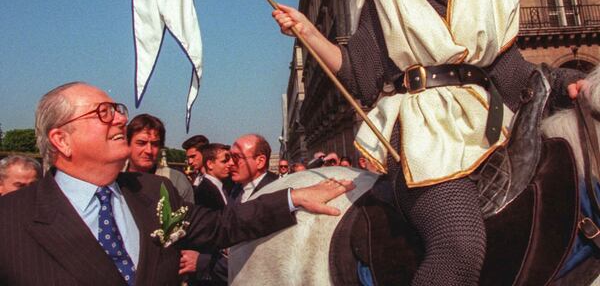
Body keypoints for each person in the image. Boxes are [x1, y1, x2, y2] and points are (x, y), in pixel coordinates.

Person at [273, 0, 584, 285]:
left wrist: (566, 82)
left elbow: (511, 72)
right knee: (460, 246)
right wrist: (307, 31)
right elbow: (360, 77)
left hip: (490, 130)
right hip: (424, 141)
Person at [0, 82, 354, 285]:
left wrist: (293, 196)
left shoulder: (152, 193)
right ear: (62, 140)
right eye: (103, 112)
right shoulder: (10, 221)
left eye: (117, 109)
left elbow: (222, 225)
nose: (121, 118)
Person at [182, 143, 233, 286]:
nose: (230, 164)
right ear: (210, 164)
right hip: (209, 269)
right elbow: (205, 231)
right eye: (224, 161)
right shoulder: (204, 191)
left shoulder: (223, 187)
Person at [126, 113, 194, 203]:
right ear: (127, 144)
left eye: (155, 144)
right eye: (141, 143)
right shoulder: (114, 178)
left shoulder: (176, 181)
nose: (149, 150)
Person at [230, 134, 280, 203]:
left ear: (260, 162)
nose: (230, 163)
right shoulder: (235, 189)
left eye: (236, 157)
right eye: (230, 157)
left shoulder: (277, 190)